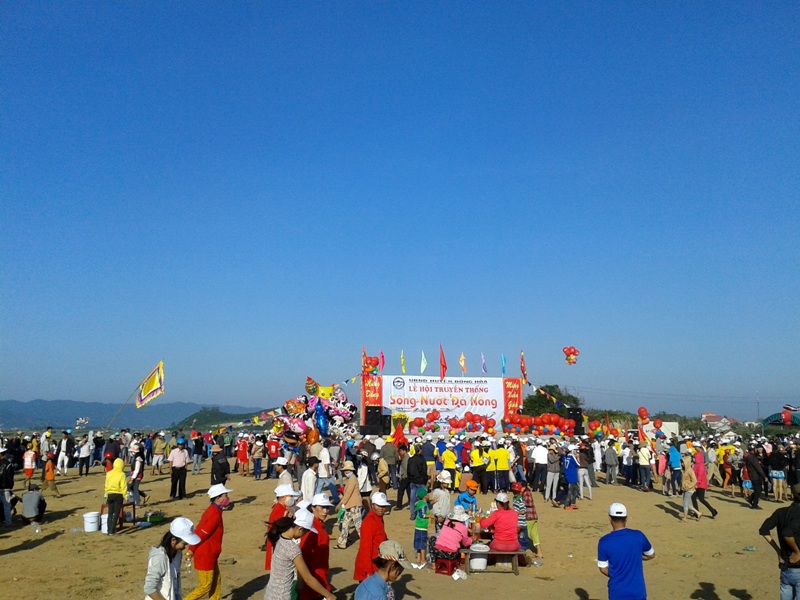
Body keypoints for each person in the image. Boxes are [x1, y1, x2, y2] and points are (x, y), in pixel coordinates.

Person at [263, 511, 337, 600]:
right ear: (300, 529)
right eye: (306, 531)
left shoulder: (279, 538)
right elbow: (308, 578)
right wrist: (328, 595)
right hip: (282, 596)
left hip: (270, 593)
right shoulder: (292, 548)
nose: (305, 534)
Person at [183, 484, 232, 600]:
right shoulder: (214, 513)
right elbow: (202, 533)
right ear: (218, 498)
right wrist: (192, 549)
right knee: (205, 585)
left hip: (210, 552)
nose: (227, 498)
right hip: (206, 553)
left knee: (216, 580)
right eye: (225, 495)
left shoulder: (213, 510)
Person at [597, 503, 655, 600]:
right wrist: (637, 556)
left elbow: (603, 569)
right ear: (626, 518)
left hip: (617, 593)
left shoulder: (604, 541)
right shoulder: (638, 536)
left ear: (609, 519)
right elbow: (651, 555)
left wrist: (617, 574)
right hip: (638, 592)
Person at [143, 517, 201, 600]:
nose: (185, 547)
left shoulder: (177, 554)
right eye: (184, 544)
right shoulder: (159, 558)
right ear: (173, 540)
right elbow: (149, 588)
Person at [759, 482, 800, 599]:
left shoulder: (781, 512)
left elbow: (764, 530)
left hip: (786, 567)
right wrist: (797, 551)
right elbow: (787, 532)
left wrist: (778, 550)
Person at [298, 494, 334, 600]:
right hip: (314, 578)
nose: (325, 511)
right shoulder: (311, 529)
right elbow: (302, 555)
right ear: (313, 508)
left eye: (327, 508)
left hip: (320, 576)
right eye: (322, 507)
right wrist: (301, 580)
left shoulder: (319, 525)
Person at [354, 491, 390, 582]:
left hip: (376, 564)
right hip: (369, 567)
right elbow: (365, 549)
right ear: (372, 505)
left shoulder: (379, 518)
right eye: (379, 505)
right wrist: (369, 571)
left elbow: (382, 537)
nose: (381, 508)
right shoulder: (369, 523)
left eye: (383, 506)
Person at [265, 484, 301, 570]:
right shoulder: (280, 510)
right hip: (277, 545)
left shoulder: (281, 508)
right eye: (290, 496)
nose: (292, 498)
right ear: (283, 497)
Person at [692, 449, 718, 519]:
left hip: (700, 485)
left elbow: (700, 476)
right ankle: (697, 512)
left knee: (701, 499)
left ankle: (713, 511)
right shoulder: (696, 465)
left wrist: (697, 484)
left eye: (695, 457)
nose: (694, 459)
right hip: (697, 484)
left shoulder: (700, 466)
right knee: (693, 497)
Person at [104, 458, 128, 534]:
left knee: (110, 513)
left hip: (110, 494)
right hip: (118, 495)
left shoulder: (109, 473)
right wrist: (126, 496)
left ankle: (109, 530)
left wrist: (106, 495)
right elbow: (123, 486)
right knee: (116, 513)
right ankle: (112, 530)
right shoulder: (122, 474)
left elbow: (106, 485)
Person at [413, 487, 430, 566]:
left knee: (418, 543)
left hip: (418, 526)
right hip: (422, 526)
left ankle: (419, 558)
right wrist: (431, 516)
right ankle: (423, 559)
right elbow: (422, 514)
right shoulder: (423, 505)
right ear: (425, 496)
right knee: (423, 543)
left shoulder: (420, 503)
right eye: (427, 494)